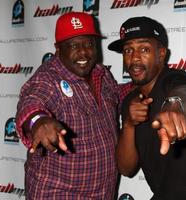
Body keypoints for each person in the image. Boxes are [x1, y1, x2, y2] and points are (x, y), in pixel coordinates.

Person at [108, 16, 186, 200]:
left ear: (161, 53)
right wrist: (128, 124)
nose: (134, 58)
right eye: (128, 50)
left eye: (144, 49)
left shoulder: (174, 79)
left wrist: (174, 107)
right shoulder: (129, 102)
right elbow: (126, 169)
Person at [16, 12, 131, 199]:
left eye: (89, 44)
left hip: (102, 192)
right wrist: (38, 121)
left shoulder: (101, 74)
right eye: (74, 45)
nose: (84, 52)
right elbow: (32, 101)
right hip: (58, 193)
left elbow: (116, 96)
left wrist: (143, 85)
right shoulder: (48, 78)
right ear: (58, 49)